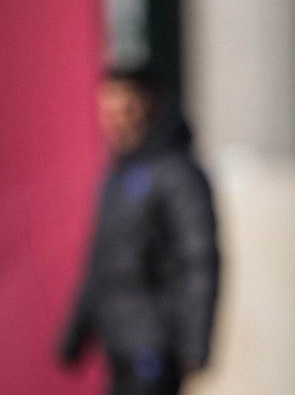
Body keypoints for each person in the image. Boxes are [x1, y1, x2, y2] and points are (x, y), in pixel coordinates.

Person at [59, 65, 219, 395]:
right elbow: (101, 261)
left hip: (157, 345)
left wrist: (194, 343)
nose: (116, 120)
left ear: (153, 105)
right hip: (117, 345)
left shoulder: (179, 174)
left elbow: (200, 259)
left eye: (127, 109)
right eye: (108, 111)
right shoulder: (115, 176)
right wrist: (76, 333)